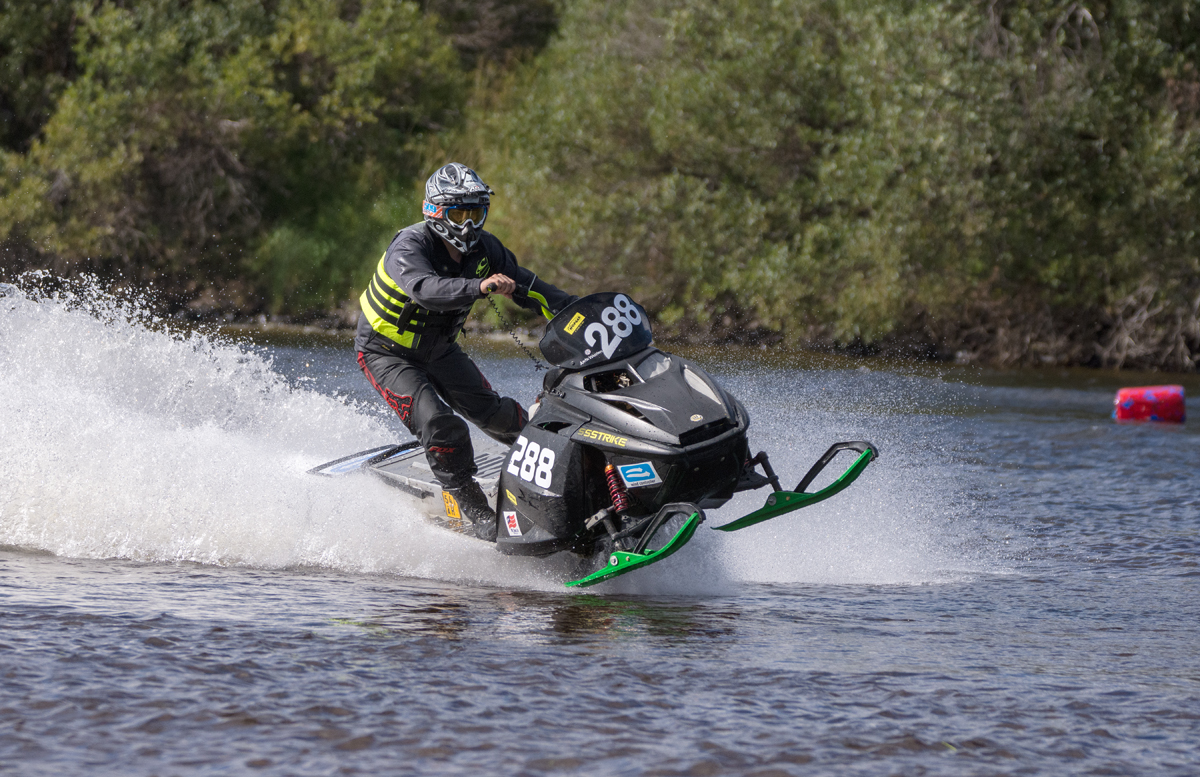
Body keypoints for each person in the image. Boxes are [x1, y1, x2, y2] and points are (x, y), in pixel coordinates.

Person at [355, 163, 577, 540]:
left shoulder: (486, 249)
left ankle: (563, 474)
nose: (469, 224)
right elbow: (425, 289)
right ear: (435, 212)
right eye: (460, 215)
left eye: (476, 213)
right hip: (386, 352)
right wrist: (479, 286)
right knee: (441, 424)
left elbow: (529, 286)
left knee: (497, 415)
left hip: (439, 349)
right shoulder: (409, 245)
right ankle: (477, 514)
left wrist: (577, 309)